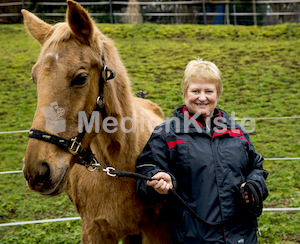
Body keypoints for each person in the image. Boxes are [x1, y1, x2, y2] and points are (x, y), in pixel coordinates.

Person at [136, 58, 269, 243]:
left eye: (209, 91)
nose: (202, 97)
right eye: (195, 91)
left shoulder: (237, 131)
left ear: (218, 94)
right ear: (185, 93)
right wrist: (158, 179)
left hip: (241, 235)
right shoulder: (167, 133)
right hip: (193, 237)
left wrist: (254, 185)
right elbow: (146, 169)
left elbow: (257, 167)